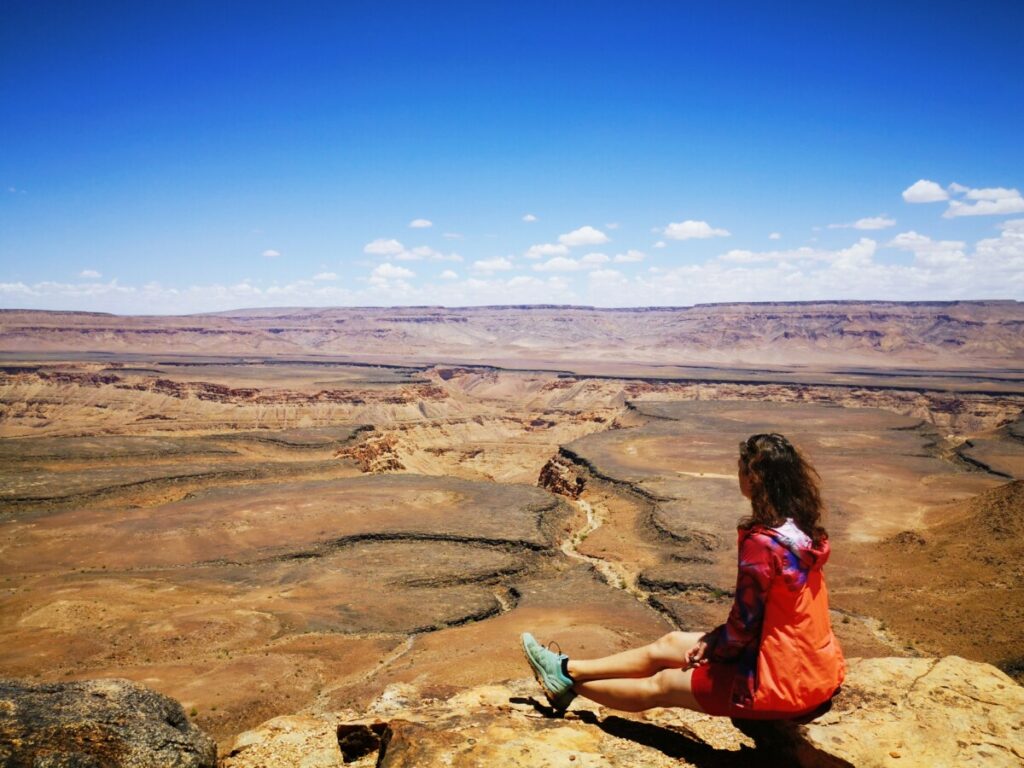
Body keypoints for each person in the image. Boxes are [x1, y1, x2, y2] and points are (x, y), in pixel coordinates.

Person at [522, 432, 845, 720]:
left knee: (663, 684)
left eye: (741, 470)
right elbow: (760, 616)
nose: (738, 477)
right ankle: (566, 669)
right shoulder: (803, 531)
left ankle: (568, 687)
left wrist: (716, 654)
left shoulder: (763, 544)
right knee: (671, 643)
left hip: (781, 682)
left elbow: (746, 620)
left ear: (754, 478)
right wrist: (713, 639)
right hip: (810, 662)